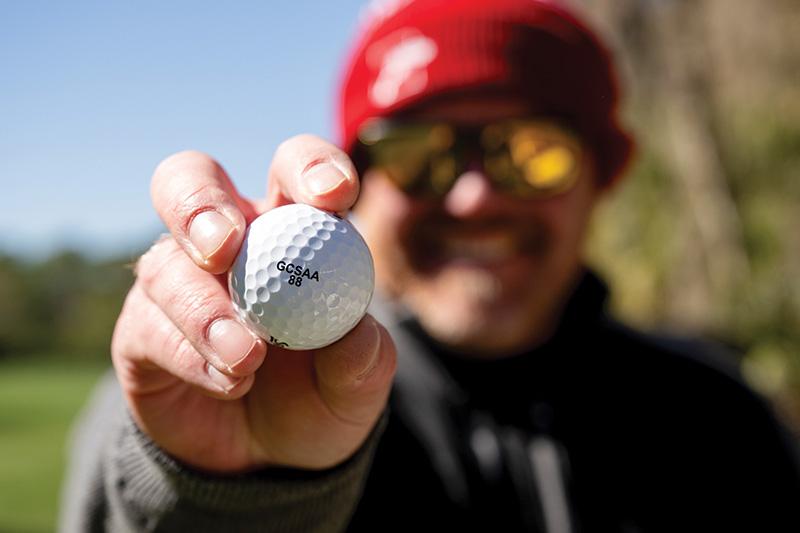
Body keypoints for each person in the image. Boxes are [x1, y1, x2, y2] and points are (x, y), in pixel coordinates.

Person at [59, 0, 800, 531]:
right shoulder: (213, 392)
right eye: (417, 152)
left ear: (599, 179)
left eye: (534, 152)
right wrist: (220, 494)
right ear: (355, 186)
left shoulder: (720, 420)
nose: (474, 197)